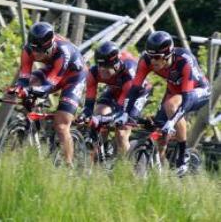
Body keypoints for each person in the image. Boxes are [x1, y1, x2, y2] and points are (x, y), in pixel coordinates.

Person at [132, 31, 211, 176]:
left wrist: (172, 121)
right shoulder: (147, 60)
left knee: (171, 106)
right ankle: (162, 173)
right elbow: (135, 88)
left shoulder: (184, 60)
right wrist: (127, 113)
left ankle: (183, 154)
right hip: (174, 92)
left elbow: (186, 100)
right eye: (150, 56)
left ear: (168, 54)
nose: (152, 61)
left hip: (198, 90)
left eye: (156, 57)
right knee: (160, 136)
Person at [7, 21, 86, 166]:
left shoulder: (63, 52)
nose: (36, 54)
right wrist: (18, 88)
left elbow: (50, 84)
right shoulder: (28, 50)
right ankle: (36, 129)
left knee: (62, 125)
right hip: (51, 70)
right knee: (28, 88)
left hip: (73, 77)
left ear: (50, 46)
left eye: (41, 51)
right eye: (33, 50)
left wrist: (32, 91)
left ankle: (69, 167)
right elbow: (24, 78)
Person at [82, 41, 152, 155]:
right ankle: (100, 156)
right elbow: (89, 101)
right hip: (115, 89)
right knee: (99, 113)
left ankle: (123, 167)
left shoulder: (128, 71)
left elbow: (121, 109)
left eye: (106, 67)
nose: (102, 70)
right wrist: (86, 114)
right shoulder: (95, 71)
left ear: (116, 64)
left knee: (121, 131)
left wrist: (108, 118)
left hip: (136, 93)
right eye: (100, 66)